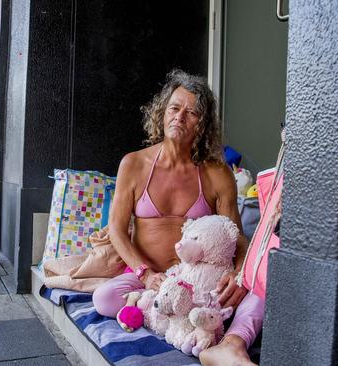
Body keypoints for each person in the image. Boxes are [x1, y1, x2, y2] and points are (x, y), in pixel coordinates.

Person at [91, 69, 249, 354]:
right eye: (174, 108)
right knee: (103, 299)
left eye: (191, 113)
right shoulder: (134, 164)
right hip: (148, 280)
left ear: (202, 124)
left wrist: (237, 274)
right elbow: (116, 229)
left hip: (199, 284)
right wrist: (145, 274)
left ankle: (228, 345)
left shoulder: (217, 173)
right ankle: (175, 317)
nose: (180, 117)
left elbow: (236, 238)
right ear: (162, 113)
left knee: (256, 295)